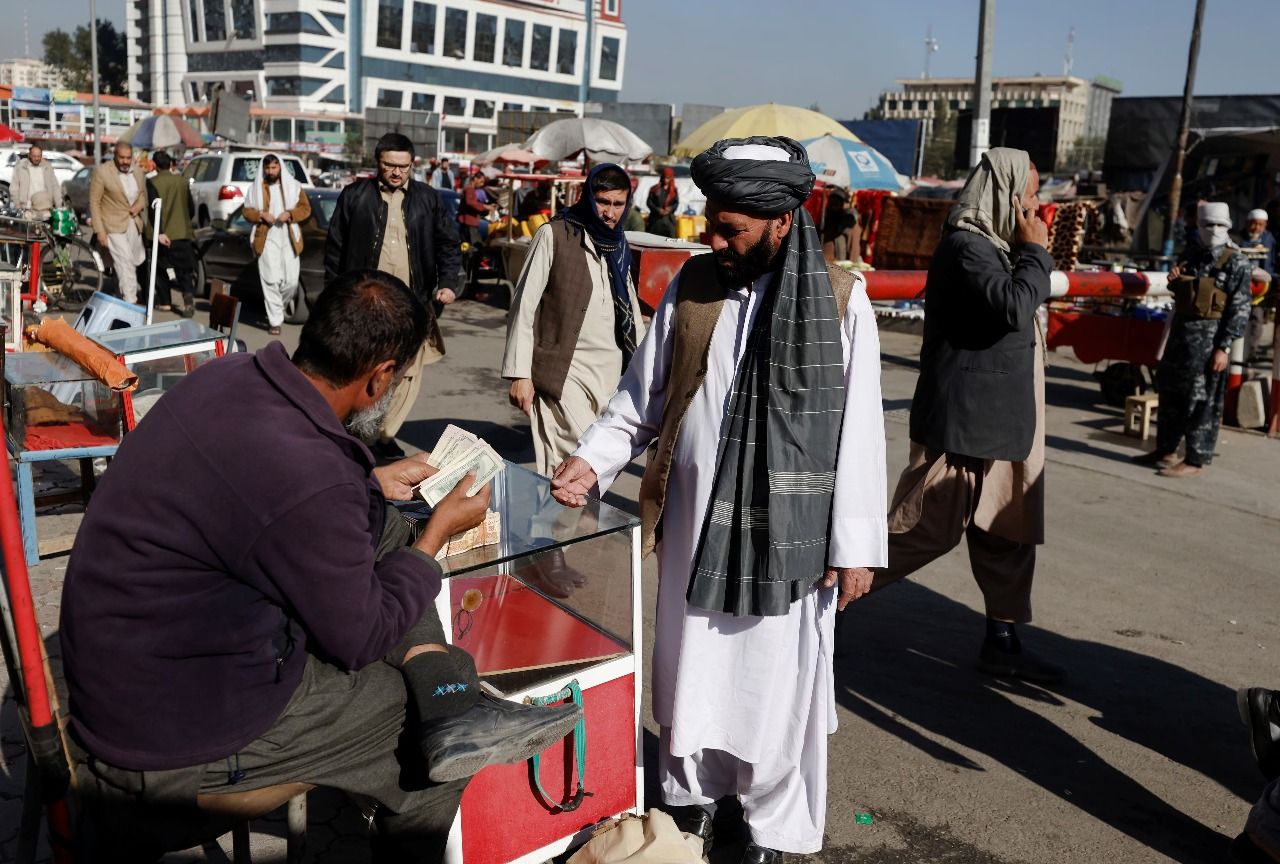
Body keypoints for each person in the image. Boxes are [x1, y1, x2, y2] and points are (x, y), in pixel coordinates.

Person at [60, 270, 581, 862]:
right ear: (379, 376)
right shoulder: (311, 477)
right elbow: (359, 638)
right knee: (418, 730)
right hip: (167, 742)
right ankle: (445, 702)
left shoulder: (233, 375)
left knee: (382, 522)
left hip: (130, 666)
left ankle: (446, 690)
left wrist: (363, 484)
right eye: (399, 378)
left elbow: (280, 498)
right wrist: (434, 538)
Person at [551, 137, 888, 863]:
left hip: (789, 546)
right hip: (694, 528)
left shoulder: (841, 298)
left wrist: (856, 547)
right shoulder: (694, 285)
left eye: (733, 230)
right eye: (713, 223)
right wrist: (591, 460)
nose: (716, 240)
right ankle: (691, 807)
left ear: (782, 222)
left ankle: (761, 827)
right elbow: (643, 398)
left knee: (770, 690)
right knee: (689, 679)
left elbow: (859, 432)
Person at [857, 148, 1064, 684]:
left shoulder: (996, 247)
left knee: (1007, 533)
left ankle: (1004, 640)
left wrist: (1027, 255)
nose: (1038, 207)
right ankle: (813, 610)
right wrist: (1036, 253)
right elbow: (1015, 305)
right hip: (965, 425)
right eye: (1032, 194)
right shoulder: (968, 248)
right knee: (918, 529)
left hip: (1003, 423)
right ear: (1007, 194)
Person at [325, 132, 462, 461]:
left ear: (412, 164)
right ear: (377, 164)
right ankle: (364, 436)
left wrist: (449, 283)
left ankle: (381, 434)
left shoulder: (428, 199)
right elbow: (334, 251)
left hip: (414, 307)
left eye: (404, 166)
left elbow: (448, 245)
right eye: (389, 165)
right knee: (366, 373)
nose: (397, 172)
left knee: (406, 374)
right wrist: (334, 297)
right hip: (366, 306)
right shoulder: (355, 196)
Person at [501, 163, 644, 475]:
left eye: (618, 204)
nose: (610, 212)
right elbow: (523, 306)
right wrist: (519, 374)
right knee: (573, 460)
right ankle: (558, 524)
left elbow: (631, 308)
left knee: (600, 463)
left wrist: (646, 369)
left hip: (611, 372)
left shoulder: (619, 244)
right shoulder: (554, 235)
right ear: (587, 198)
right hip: (564, 370)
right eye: (603, 202)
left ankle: (570, 524)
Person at [1137, 201, 1252, 477]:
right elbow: (1183, 293)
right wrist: (1175, 279)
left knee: (1202, 401)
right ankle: (1166, 449)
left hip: (1209, 344)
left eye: (1219, 225)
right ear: (1198, 226)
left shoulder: (1236, 262)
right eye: (1207, 225)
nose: (1213, 230)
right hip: (1180, 340)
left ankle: (1195, 459)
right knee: (1171, 394)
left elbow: (1240, 309)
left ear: (1228, 227)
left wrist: (1223, 347)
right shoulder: (1191, 255)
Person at [244, 154, 312, 335]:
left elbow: (305, 209)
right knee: (271, 280)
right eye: (267, 168)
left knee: (290, 281)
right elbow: (246, 211)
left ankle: (276, 309)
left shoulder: (294, 187)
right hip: (266, 238)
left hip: (289, 237)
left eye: (274, 167)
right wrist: (260, 215)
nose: (270, 171)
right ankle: (275, 321)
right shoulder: (256, 188)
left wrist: (290, 214)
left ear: (280, 167)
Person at [91, 141, 149, 305]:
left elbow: (142, 194)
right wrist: (100, 231)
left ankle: (119, 295)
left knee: (132, 261)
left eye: (128, 158)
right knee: (126, 262)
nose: (125, 161)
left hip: (133, 223)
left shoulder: (137, 172)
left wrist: (140, 204)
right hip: (112, 224)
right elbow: (94, 202)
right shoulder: (102, 172)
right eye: (121, 158)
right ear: (115, 156)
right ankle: (130, 301)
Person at [144, 151, 198, 317]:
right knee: (185, 271)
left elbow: (154, 210)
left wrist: (159, 232)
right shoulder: (182, 181)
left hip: (162, 234)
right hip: (182, 232)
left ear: (154, 165)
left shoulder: (152, 182)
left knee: (160, 269)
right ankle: (188, 299)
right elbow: (191, 208)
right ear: (170, 164)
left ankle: (165, 302)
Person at [1240, 208, 1275, 363]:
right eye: (1253, 223)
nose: (1256, 228)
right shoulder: (1239, 239)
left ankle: (1251, 351)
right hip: (1241, 286)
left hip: (1261, 289)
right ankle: (1237, 349)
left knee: (1256, 318)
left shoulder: (1269, 240)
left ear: (1265, 225)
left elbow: (1272, 264)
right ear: (1248, 223)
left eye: (1260, 224)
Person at [10, 144, 63, 217]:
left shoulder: (47, 167)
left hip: (45, 208)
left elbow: (55, 187)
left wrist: (58, 206)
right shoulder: (21, 167)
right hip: (27, 208)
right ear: (29, 155)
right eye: (34, 156)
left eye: (39, 156)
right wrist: (17, 204)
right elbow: (14, 187)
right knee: (27, 227)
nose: (37, 158)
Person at [820, 186, 862, 264]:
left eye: (836, 203)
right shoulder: (825, 219)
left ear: (842, 204)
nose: (833, 205)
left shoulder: (850, 224)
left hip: (839, 266)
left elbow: (854, 252)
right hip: (821, 262)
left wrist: (853, 267)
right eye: (831, 202)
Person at [646, 166, 679, 237]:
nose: (665, 180)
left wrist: (670, 209)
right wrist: (658, 210)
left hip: (669, 221)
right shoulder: (654, 189)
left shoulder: (674, 190)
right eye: (664, 177)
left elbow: (676, 203)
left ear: (671, 178)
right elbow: (649, 202)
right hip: (655, 220)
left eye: (667, 178)